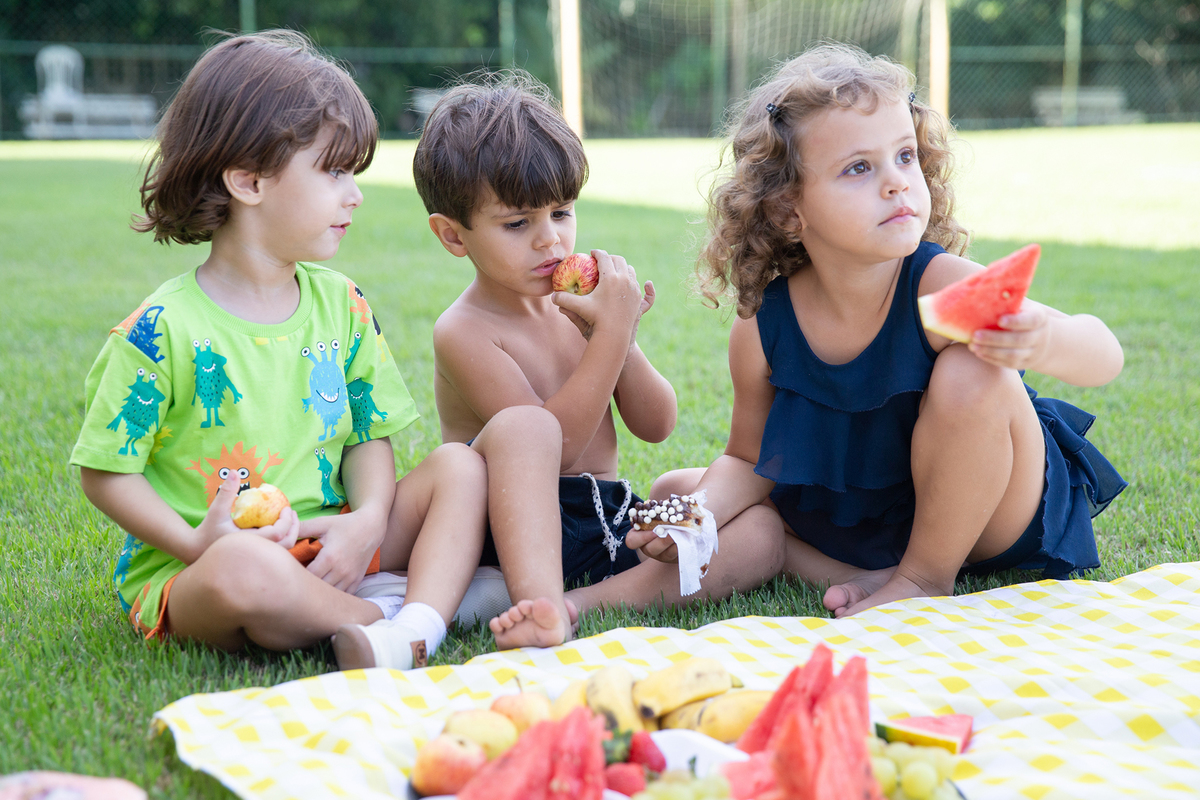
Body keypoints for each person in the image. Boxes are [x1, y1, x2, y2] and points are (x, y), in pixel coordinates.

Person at [647, 43, 1127, 618]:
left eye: (905, 156)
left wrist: (1044, 340)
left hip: (989, 512)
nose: (898, 182)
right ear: (788, 211)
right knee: (676, 491)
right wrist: (700, 510)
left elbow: (1105, 355)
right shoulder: (763, 327)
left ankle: (923, 579)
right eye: (859, 167)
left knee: (974, 368)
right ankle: (861, 573)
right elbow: (748, 459)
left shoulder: (941, 285)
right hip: (869, 515)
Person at [70, 30, 489, 672]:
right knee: (243, 570)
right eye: (334, 171)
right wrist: (195, 542)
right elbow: (105, 472)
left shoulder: (342, 305)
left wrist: (368, 519)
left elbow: (368, 435)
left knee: (459, 468)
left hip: (337, 542)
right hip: (208, 565)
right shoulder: (160, 330)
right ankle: (387, 618)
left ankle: (415, 626)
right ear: (248, 181)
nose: (354, 194)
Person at [401, 71, 785, 652]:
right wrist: (608, 338)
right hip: (516, 532)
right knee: (531, 440)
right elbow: (553, 449)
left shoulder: (580, 306)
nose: (549, 240)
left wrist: (621, 341)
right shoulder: (465, 331)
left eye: (561, 212)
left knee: (760, 531)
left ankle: (579, 605)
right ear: (454, 236)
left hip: (605, 517)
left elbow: (656, 424)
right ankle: (521, 593)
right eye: (517, 223)